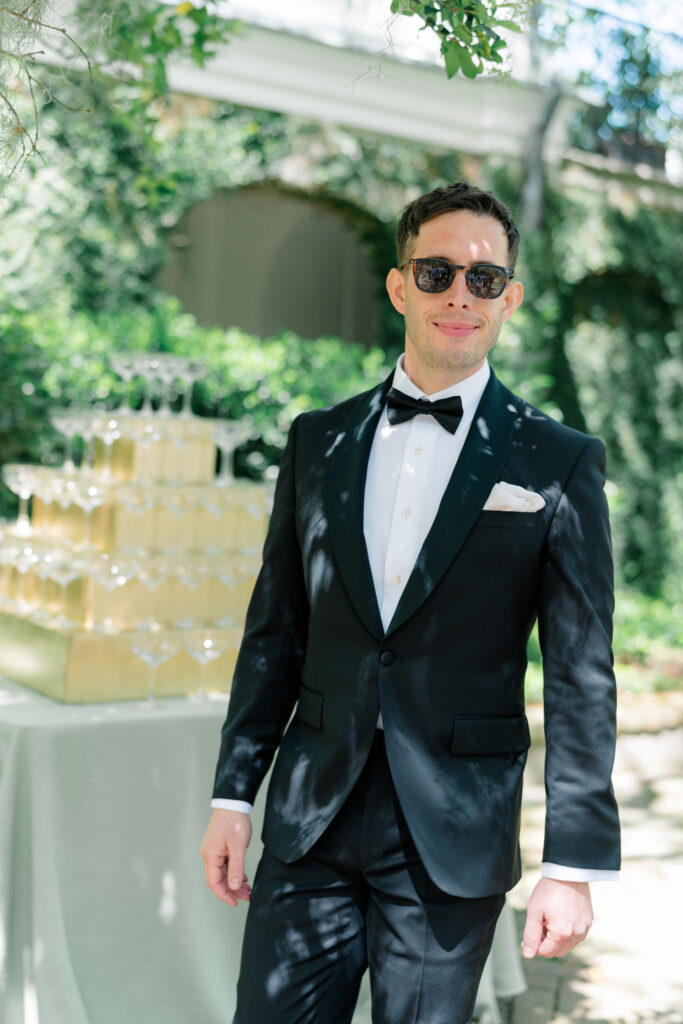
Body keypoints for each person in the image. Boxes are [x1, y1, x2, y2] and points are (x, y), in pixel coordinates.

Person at [200, 181, 621, 1024]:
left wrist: (571, 864)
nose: (459, 295)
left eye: (484, 279)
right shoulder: (318, 439)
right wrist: (232, 797)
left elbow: (581, 674)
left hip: (451, 835)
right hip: (310, 818)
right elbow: (274, 632)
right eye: (436, 273)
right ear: (400, 287)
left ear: (511, 297)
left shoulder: (558, 461)